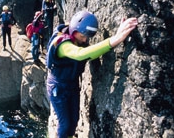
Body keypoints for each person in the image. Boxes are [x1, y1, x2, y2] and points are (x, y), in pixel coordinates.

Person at [46, 10, 138, 138]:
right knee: (65, 123)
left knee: (74, 120)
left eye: (87, 37)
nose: (85, 40)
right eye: (82, 36)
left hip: (72, 84)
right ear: (74, 29)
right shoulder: (61, 43)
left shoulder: (78, 39)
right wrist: (116, 39)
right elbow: (80, 54)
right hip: (58, 86)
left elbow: (89, 53)